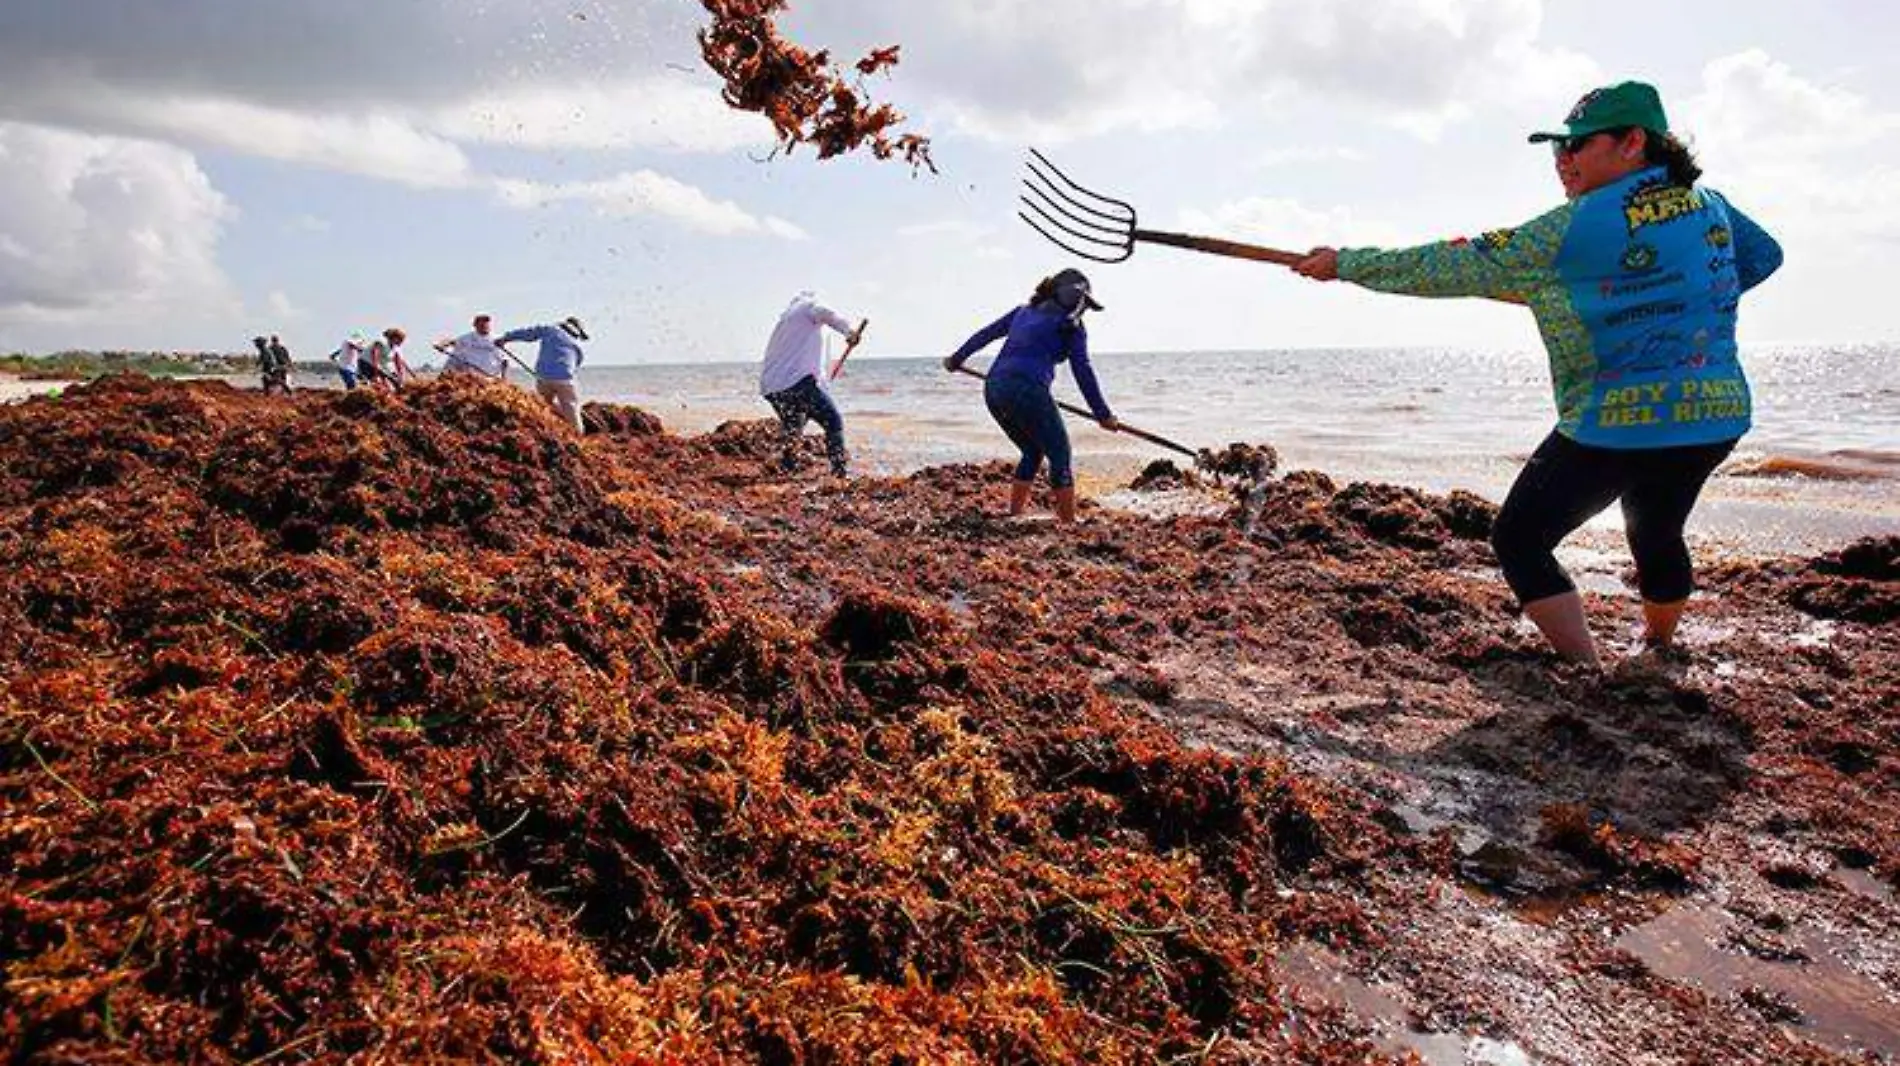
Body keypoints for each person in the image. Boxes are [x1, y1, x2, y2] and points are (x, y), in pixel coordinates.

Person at [1289, 81, 1783, 668]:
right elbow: (1762, 256)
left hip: (1617, 422)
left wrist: (1346, 264)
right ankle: (1658, 645)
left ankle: (1584, 667)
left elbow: (1452, 263)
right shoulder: (1714, 207)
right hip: (1714, 415)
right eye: (1556, 150)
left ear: (1633, 142)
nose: (1562, 161)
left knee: (1519, 539)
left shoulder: (1572, 226)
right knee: (1656, 529)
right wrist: (1669, 295)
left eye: (1576, 146)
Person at [943, 268, 1122, 523]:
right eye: (1083, 303)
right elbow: (1083, 371)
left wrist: (956, 359)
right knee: (1060, 452)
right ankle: (1068, 522)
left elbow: (985, 335)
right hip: (1028, 389)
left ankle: (1015, 514)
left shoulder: (1022, 312)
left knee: (1032, 450)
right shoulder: (1072, 327)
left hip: (994, 388)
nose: (1082, 310)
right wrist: (1103, 415)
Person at [759, 291, 861, 477]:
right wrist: (849, 331)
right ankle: (840, 475)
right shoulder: (809, 307)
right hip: (796, 383)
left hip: (772, 387)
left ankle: (787, 467)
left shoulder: (787, 321)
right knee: (833, 421)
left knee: (794, 426)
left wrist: (822, 384)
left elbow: (810, 363)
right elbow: (827, 313)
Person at [499, 316, 589, 432]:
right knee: (572, 410)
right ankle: (578, 433)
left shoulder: (550, 330)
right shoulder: (577, 346)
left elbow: (527, 333)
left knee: (544, 406)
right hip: (566, 380)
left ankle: (551, 425)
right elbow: (576, 364)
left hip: (543, 378)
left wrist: (505, 338)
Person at [435, 314, 508, 380]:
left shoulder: (497, 339)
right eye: (481, 322)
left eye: (486, 322)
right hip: (471, 377)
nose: (484, 325)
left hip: (491, 378)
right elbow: (450, 341)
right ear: (475, 325)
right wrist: (441, 345)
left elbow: (504, 361)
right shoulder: (467, 338)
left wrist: (504, 377)